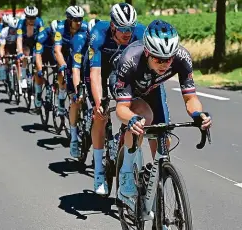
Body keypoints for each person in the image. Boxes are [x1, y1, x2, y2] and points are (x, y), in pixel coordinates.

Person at [114, 19, 212, 217]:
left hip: (153, 89)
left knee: (163, 138)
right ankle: (125, 175)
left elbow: (191, 97)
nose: (165, 64)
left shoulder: (181, 57)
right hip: (130, 90)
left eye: (168, 59)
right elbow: (121, 109)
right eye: (159, 59)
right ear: (148, 53)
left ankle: (152, 186)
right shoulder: (130, 60)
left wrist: (198, 114)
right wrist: (131, 119)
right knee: (144, 117)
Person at [84, 3, 146, 195]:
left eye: (130, 28)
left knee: (135, 106)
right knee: (100, 115)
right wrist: (97, 103)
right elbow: (95, 73)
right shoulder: (98, 33)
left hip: (124, 73)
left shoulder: (140, 33)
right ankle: (99, 171)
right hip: (100, 71)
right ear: (112, 26)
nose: (127, 33)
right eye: (122, 29)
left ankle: (123, 143)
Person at [53, 5, 88, 158]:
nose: (78, 22)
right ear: (69, 20)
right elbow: (57, 50)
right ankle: (74, 138)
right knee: (74, 99)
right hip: (66, 58)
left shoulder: (85, 29)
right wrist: (62, 66)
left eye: (81, 19)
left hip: (80, 58)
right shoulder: (61, 28)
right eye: (75, 20)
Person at [16, 6, 44, 95]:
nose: (31, 20)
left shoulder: (39, 22)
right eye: (29, 17)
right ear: (25, 16)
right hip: (26, 43)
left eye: (33, 17)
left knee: (37, 59)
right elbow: (19, 39)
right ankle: (23, 77)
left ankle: (36, 81)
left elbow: (43, 37)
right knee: (25, 53)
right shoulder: (21, 23)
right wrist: (20, 52)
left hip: (36, 42)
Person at [33, 19, 60, 110]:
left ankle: (58, 97)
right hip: (42, 53)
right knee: (38, 71)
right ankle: (38, 93)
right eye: (53, 36)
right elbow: (38, 55)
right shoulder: (43, 35)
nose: (55, 39)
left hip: (53, 52)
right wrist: (40, 69)